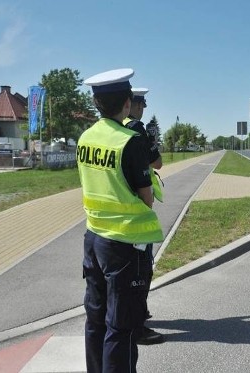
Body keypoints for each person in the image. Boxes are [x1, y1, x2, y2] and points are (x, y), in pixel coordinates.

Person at [77, 68, 164, 373]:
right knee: (122, 327)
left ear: (96, 103)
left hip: (93, 238)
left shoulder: (86, 138)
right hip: (125, 244)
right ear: (127, 104)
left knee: (96, 319)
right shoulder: (130, 141)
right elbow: (147, 196)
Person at [122, 87, 165, 345]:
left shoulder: (112, 128)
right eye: (143, 104)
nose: (144, 109)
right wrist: (153, 144)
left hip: (112, 215)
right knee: (141, 270)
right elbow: (156, 163)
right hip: (137, 210)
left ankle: (129, 316)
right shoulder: (137, 129)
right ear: (134, 104)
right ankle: (137, 324)